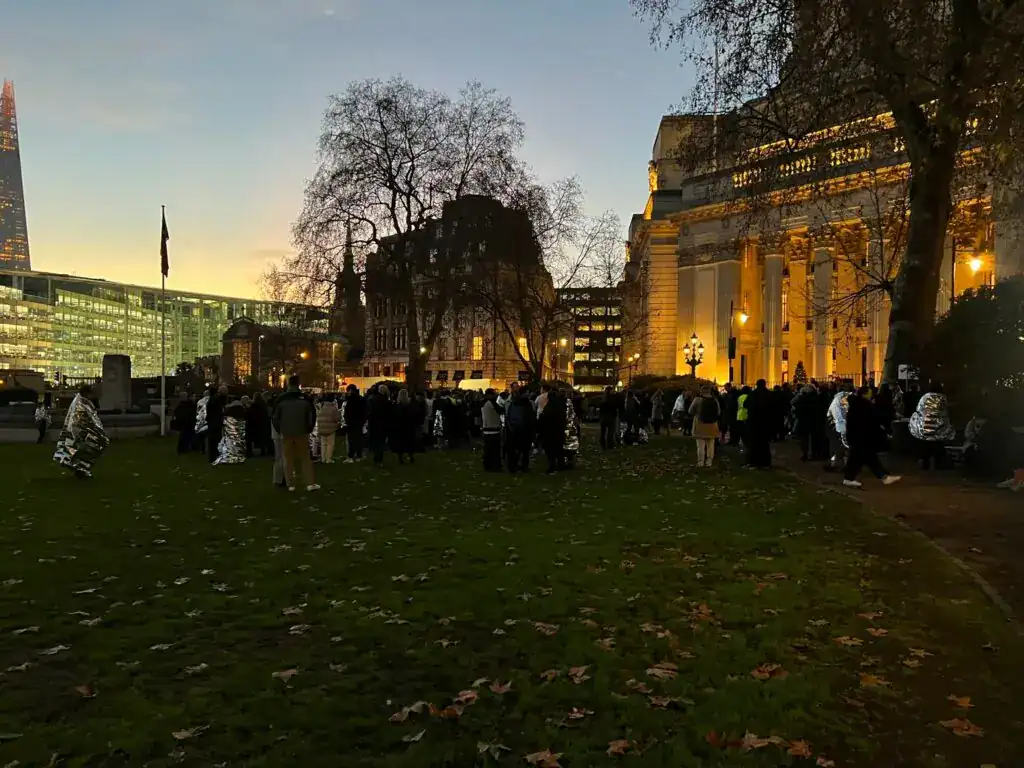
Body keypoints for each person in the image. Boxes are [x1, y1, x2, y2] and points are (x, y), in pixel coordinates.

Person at [842, 386, 902, 488]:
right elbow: (874, 418)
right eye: (869, 393)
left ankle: (850, 478)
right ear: (865, 394)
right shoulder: (864, 406)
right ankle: (882, 477)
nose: (871, 395)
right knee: (866, 458)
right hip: (862, 437)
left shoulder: (856, 405)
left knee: (862, 458)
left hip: (857, 437)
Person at [271, 375, 319, 492]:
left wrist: (280, 429)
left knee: (288, 458)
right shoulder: (305, 399)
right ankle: (309, 483)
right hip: (302, 431)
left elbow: (275, 417)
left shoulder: (281, 399)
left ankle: (290, 484)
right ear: (298, 384)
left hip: (286, 431)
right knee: (305, 458)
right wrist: (309, 428)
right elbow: (311, 416)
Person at [53, 385, 109, 479]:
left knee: (82, 448)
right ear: (87, 393)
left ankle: (79, 468)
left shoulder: (79, 401)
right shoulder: (81, 403)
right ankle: (80, 468)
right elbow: (89, 417)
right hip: (81, 431)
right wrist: (98, 429)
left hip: (79, 431)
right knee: (89, 447)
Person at [908, 382, 955, 469]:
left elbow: (919, 409)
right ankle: (939, 466)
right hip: (938, 427)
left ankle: (925, 466)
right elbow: (945, 412)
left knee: (927, 447)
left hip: (926, 426)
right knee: (938, 447)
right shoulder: (942, 398)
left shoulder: (925, 397)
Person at [504, 384, 536, 473]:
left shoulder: (512, 402)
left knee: (515, 450)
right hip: (525, 430)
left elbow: (508, 415)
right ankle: (523, 466)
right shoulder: (528, 404)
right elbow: (531, 418)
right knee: (525, 450)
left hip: (514, 429)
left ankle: (513, 466)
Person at [743, 380, 774, 468]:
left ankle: (754, 461)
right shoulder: (769, 394)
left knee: (753, 443)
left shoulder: (753, 394)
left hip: (754, 422)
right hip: (766, 422)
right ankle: (765, 462)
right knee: (764, 443)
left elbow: (745, 404)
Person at [688, 386, 721, 467]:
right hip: (712, 425)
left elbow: (690, 411)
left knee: (700, 446)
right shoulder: (715, 400)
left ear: (701, 391)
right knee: (710, 445)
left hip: (700, 424)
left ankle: (700, 462)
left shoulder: (697, 400)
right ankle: (709, 462)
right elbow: (719, 412)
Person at [538, 387, 568, 473]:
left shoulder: (549, 406)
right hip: (558, 430)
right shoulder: (560, 405)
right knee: (559, 449)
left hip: (550, 431)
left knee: (550, 450)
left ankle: (552, 466)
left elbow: (544, 418)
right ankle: (560, 464)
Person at [366, 383, 392, 465]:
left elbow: (369, 410)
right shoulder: (386, 401)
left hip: (373, 422)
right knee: (381, 441)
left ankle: (376, 456)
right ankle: (379, 458)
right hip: (383, 423)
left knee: (375, 440)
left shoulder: (372, 399)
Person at [390, 389, 417, 464]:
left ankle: (400, 458)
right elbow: (413, 416)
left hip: (399, 427)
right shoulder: (410, 406)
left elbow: (394, 417)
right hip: (409, 427)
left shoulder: (396, 406)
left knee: (400, 442)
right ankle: (411, 456)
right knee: (409, 442)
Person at [481, 388, 503, 472]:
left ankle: (487, 466)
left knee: (487, 450)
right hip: (494, 429)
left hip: (486, 429)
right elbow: (501, 410)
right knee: (495, 450)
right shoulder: (492, 403)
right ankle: (495, 466)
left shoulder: (483, 403)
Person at [343, 384, 366, 463]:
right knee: (358, 439)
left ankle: (351, 456)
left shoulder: (350, 400)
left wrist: (346, 420)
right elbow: (364, 411)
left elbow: (347, 412)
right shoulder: (361, 399)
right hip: (359, 422)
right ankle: (359, 455)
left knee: (351, 440)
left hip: (351, 423)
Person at [316, 395, 342, 464]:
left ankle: (323, 458)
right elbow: (337, 418)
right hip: (330, 429)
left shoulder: (322, 407)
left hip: (322, 428)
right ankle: (328, 459)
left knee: (323, 444)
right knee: (330, 444)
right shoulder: (333, 408)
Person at [206, 385, 228, 464]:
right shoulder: (216, 400)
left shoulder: (211, 400)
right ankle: (214, 456)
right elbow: (219, 410)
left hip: (213, 421)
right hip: (215, 422)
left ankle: (213, 456)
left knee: (213, 440)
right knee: (215, 439)